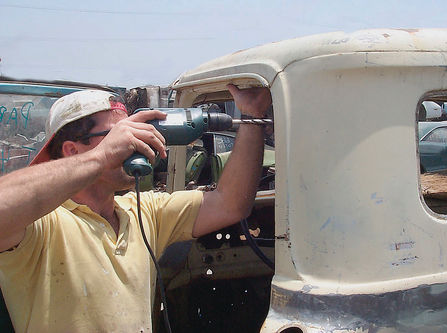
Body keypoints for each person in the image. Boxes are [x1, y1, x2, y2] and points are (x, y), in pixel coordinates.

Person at [0, 84, 272, 332]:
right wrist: (103, 156)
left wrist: (252, 117)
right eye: (117, 135)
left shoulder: (143, 212)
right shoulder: (43, 226)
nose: (134, 141)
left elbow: (230, 203)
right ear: (72, 151)